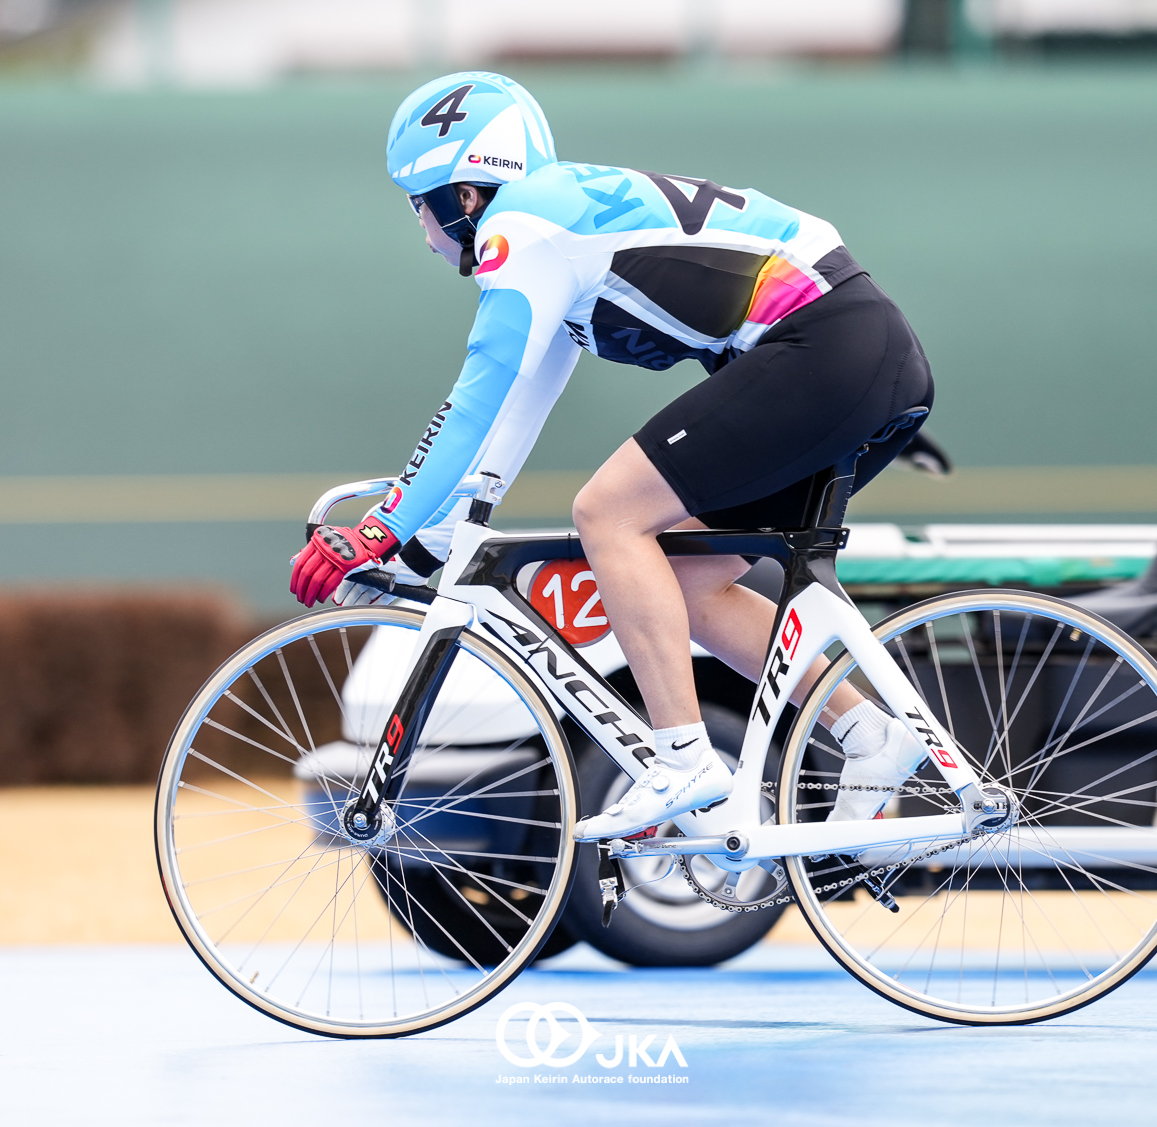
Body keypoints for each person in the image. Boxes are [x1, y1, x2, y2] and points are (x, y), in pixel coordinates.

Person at [289, 72, 935, 843]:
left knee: (608, 511)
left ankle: (684, 760)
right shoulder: (555, 230)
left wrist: (380, 527)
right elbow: (507, 421)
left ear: (465, 195)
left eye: (417, 202)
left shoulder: (522, 230)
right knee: (683, 577)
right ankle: (868, 734)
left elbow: (474, 398)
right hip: (850, 352)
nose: (420, 228)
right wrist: (426, 536)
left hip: (828, 347)